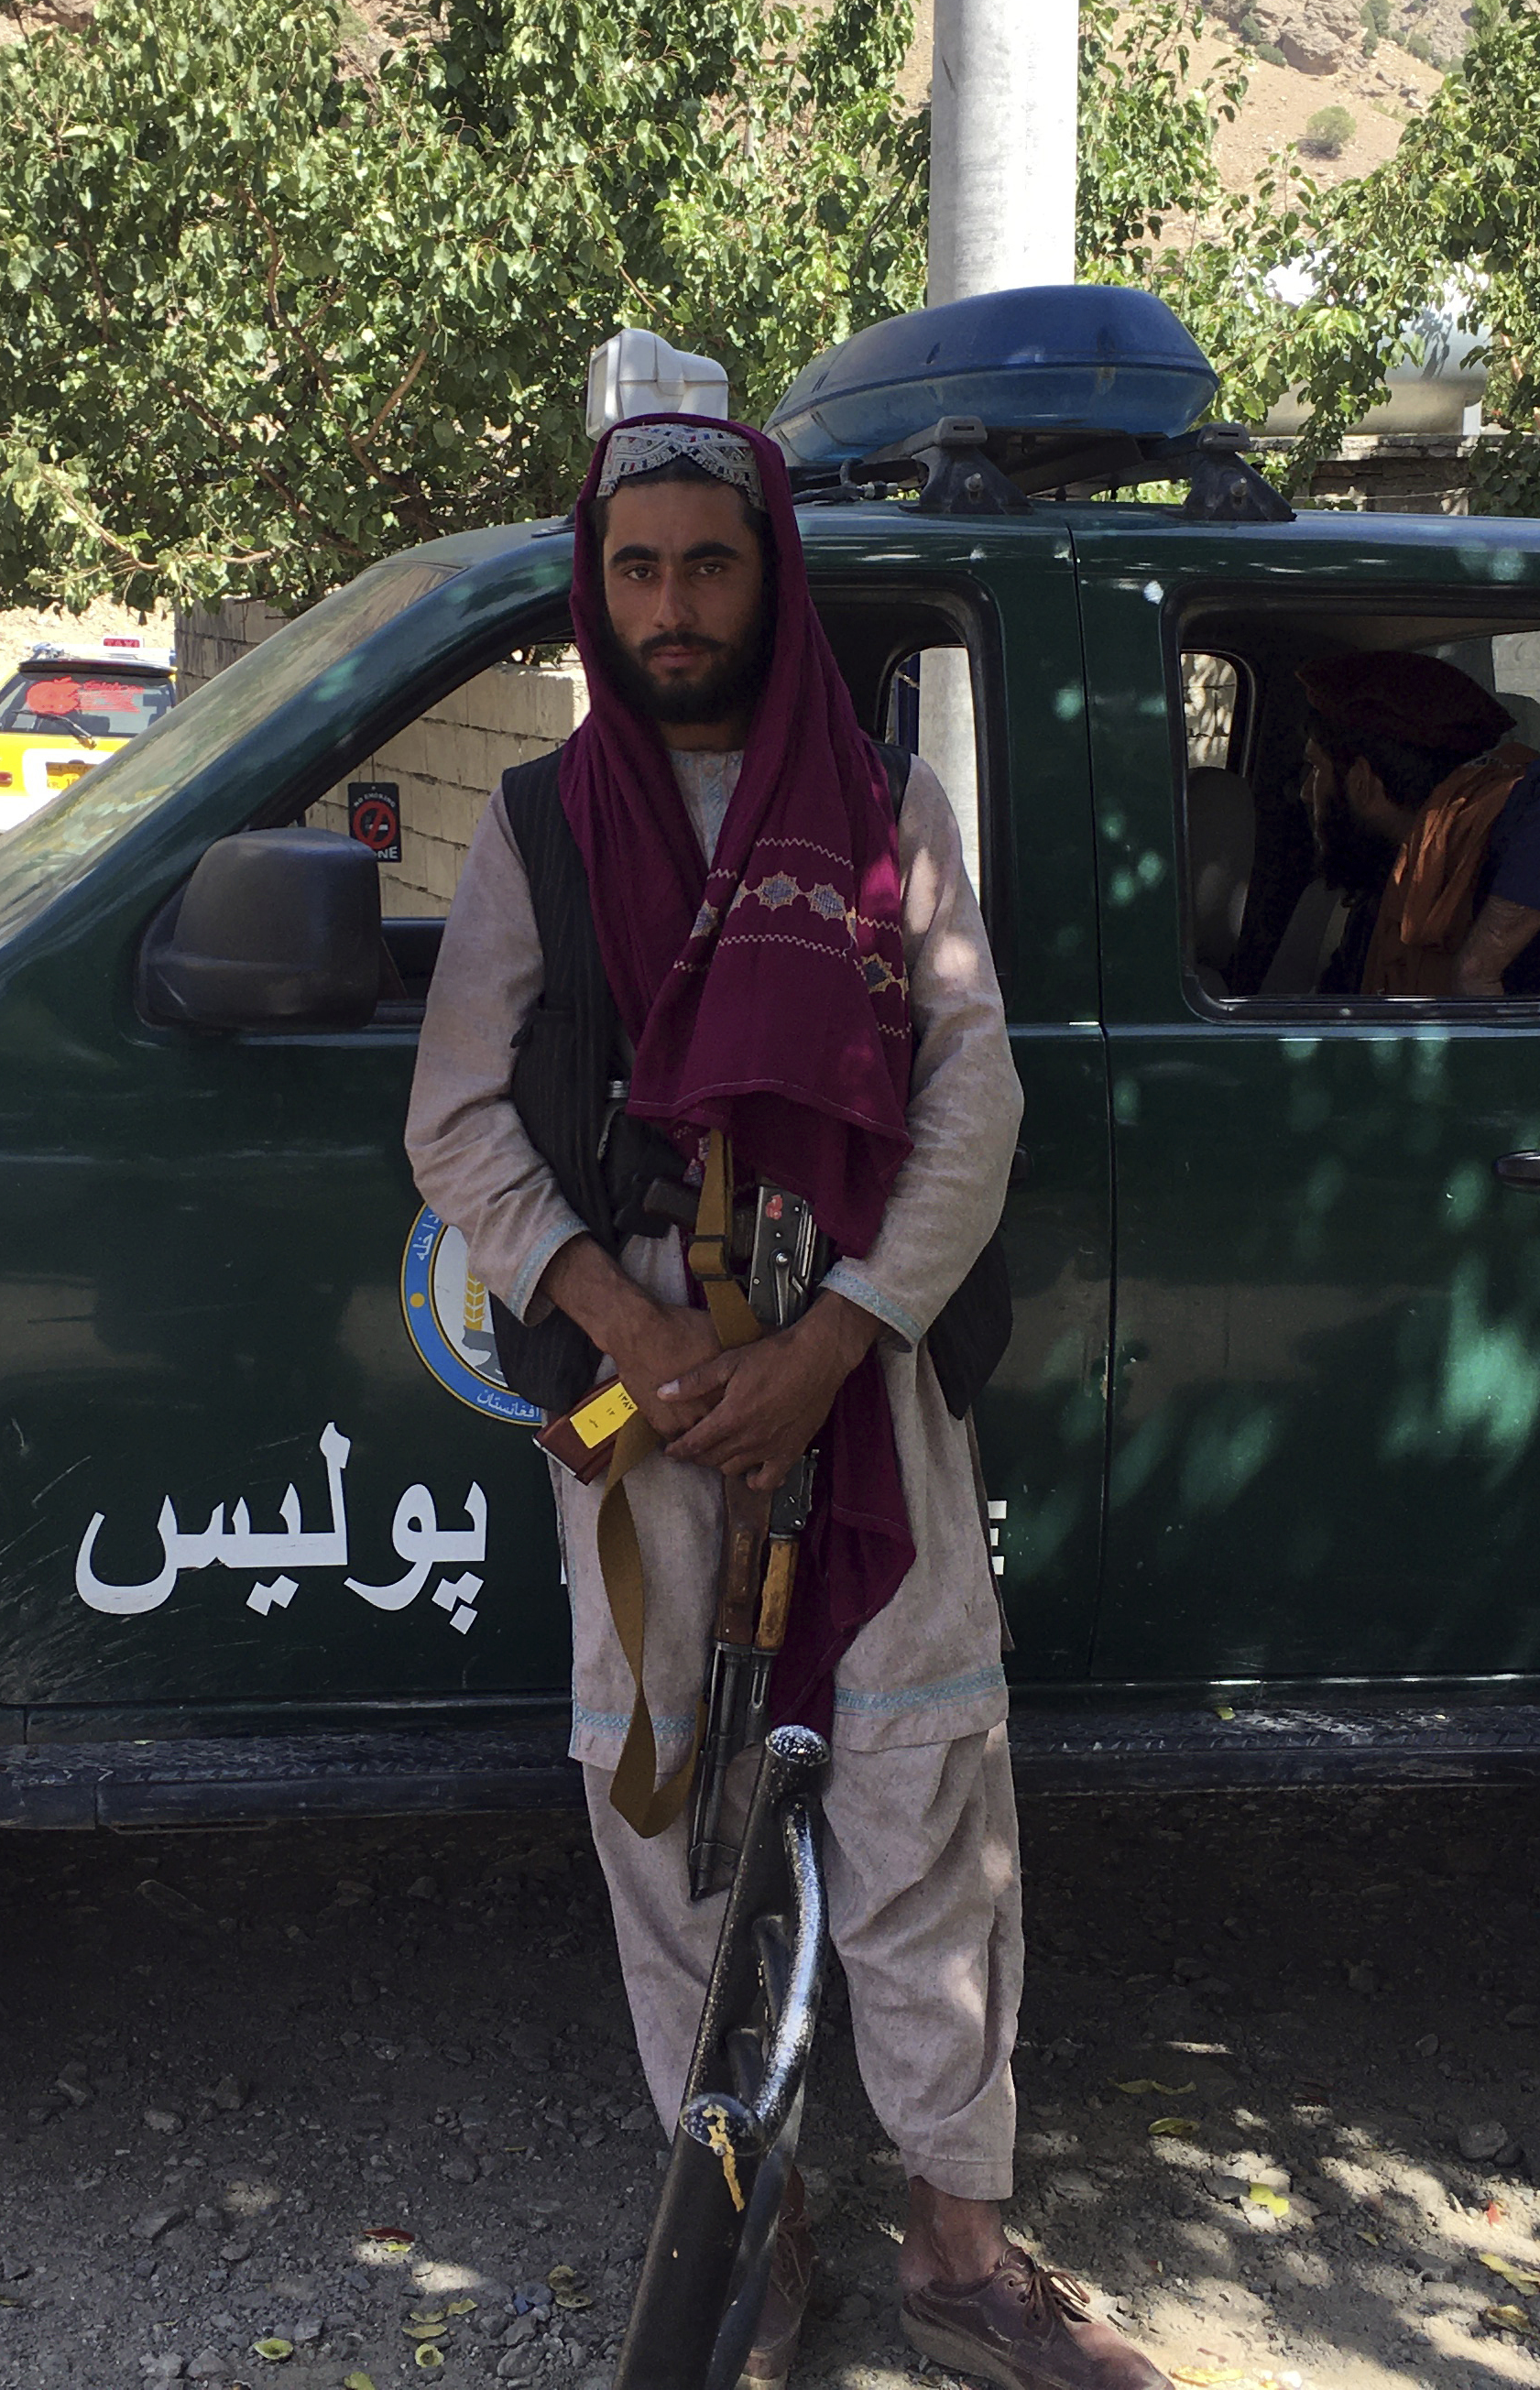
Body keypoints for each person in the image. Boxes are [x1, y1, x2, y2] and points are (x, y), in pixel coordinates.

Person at [407, 415, 1163, 2390]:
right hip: (645, 1404)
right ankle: (753, 2231)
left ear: (771, 572)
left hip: (863, 1373)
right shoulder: (540, 829)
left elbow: (972, 1093)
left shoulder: (886, 803)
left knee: (923, 1785)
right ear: (601, 587)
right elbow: (459, 1123)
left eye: (707, 566)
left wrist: (833, 1335)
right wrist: (630, 1329)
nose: (670, 607)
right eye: (636, 570)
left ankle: (963, 2251)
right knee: (666, 1807)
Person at [1298, 647, 1540, 998]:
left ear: (1361, 780)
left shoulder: (1495, 851)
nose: (1304, 792)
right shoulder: (1387, 883)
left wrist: (1477, 972)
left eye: (1316, 769)